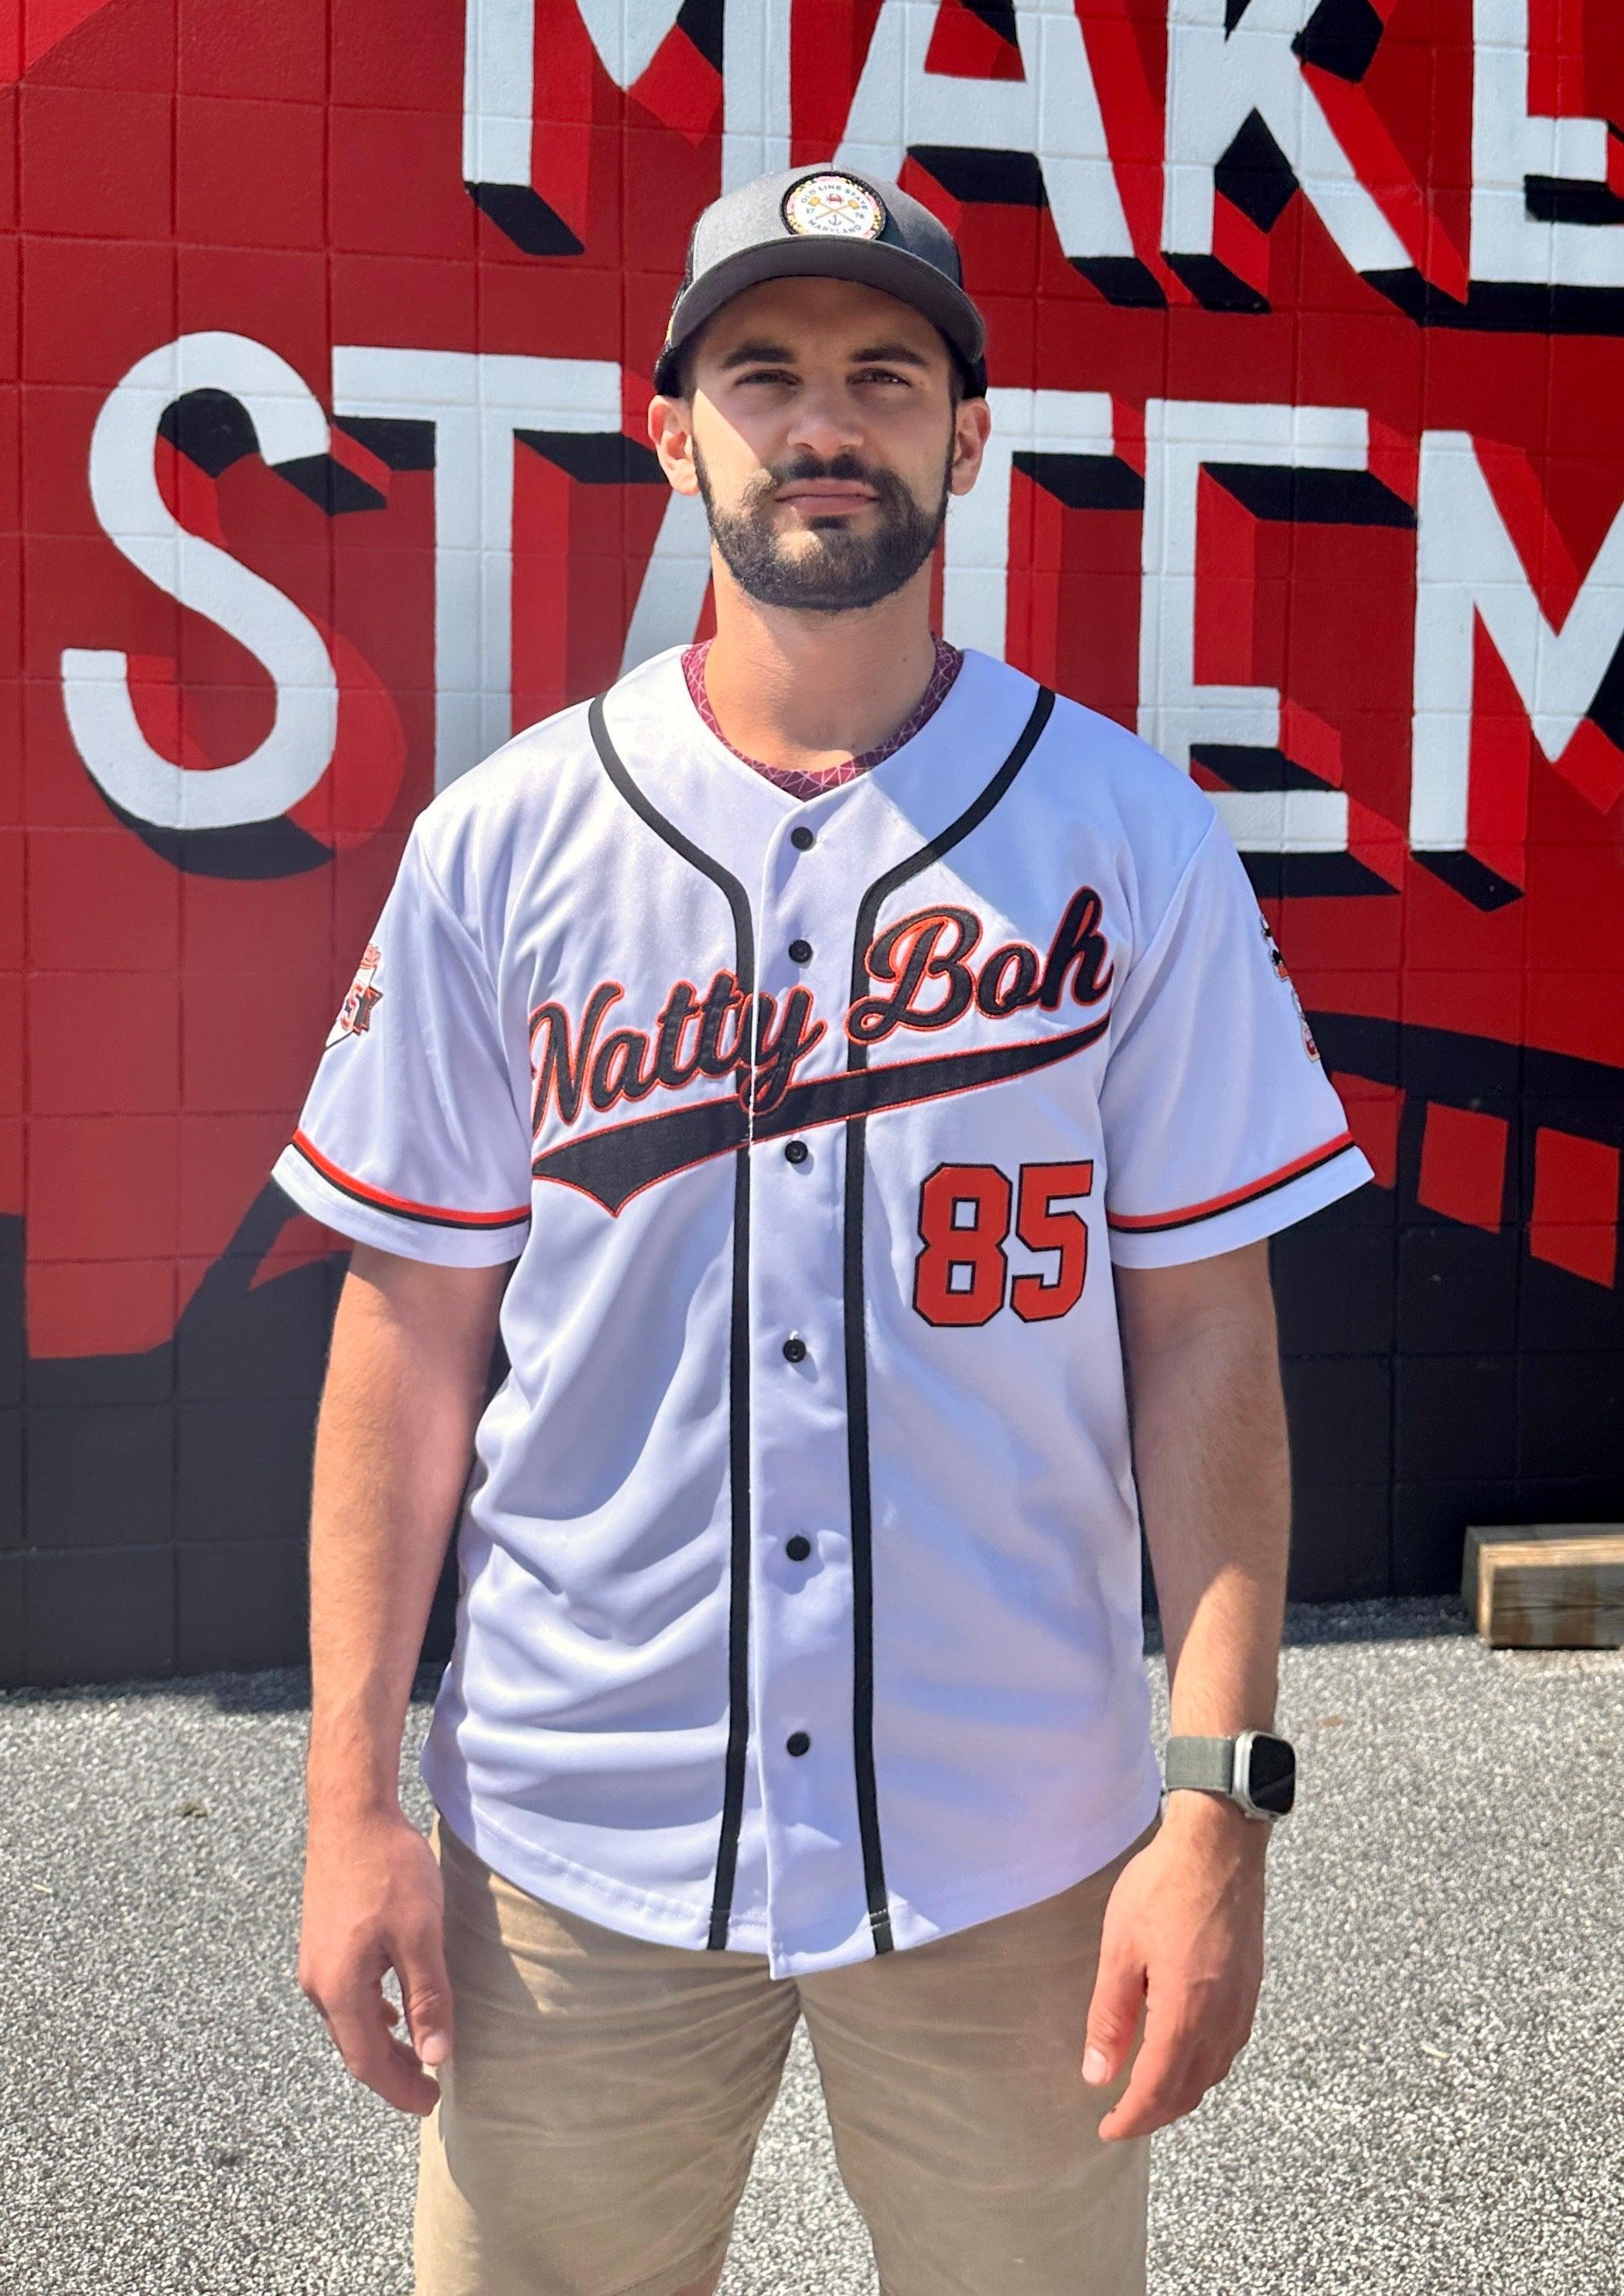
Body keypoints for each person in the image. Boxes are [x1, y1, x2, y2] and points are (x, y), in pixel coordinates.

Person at [279, 163, 1375, 2296]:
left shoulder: (1122, 832)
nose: (821, 421)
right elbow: (401, 1344)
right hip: (571, 1842)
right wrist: (346, 1808)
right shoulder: (507, 841)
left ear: (968, 438)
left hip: (1018, 1846)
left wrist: (1213, 1804)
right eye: (761, 371)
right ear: (668, 425)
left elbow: (1205, 1344)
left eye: (883, 373)